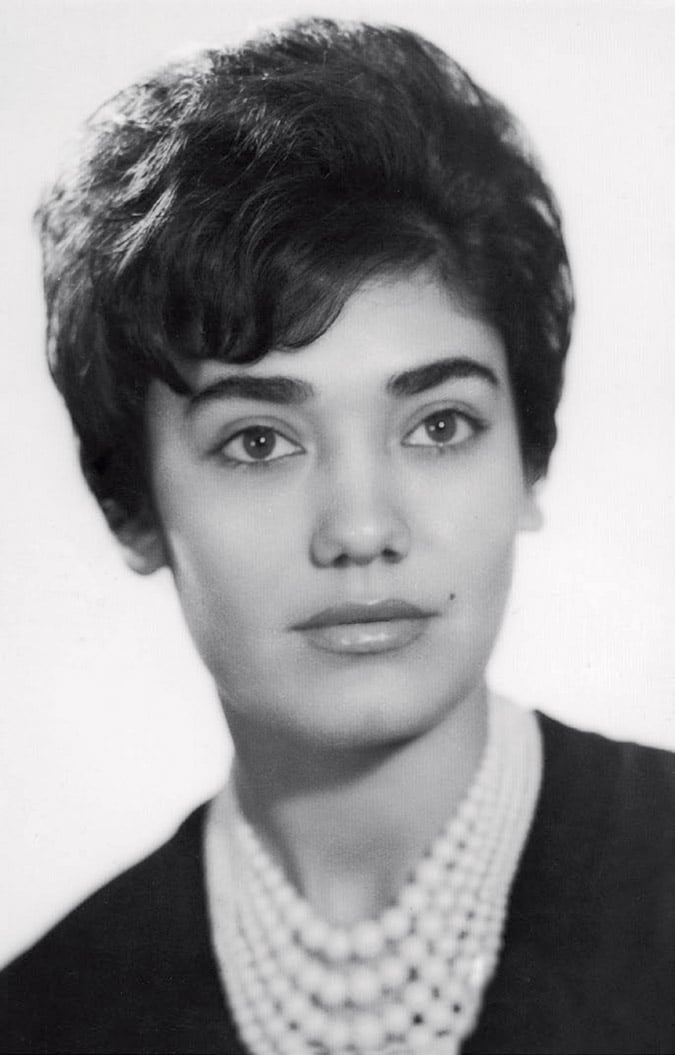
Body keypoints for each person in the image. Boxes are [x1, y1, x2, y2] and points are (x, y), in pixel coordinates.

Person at [1, 16, 672, 1055]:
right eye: (258, 441)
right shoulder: (46, 1019)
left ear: (528, 461)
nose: (362, 529)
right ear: (132, 507)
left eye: (439, 425)